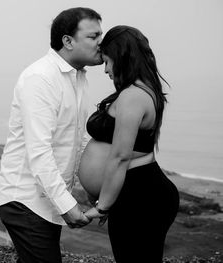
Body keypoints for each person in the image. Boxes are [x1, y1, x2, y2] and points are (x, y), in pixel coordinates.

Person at [0, 7, 103, 263]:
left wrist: (91, 186)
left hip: (46, 201)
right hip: (26, 200)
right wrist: (68, 206)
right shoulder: (41, 78)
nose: (102, 42)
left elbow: (78, 142)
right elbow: (39, 152)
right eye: (93, 36)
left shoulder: (77, 77)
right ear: (67, 40)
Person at [78, 25, 180, 262]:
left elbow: (120, 156)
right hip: (133, 193)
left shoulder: (133, 95)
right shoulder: (139, 90)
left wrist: (102, 205)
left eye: (107, 62)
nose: (105, 70)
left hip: (141, 197)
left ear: (121, 56)